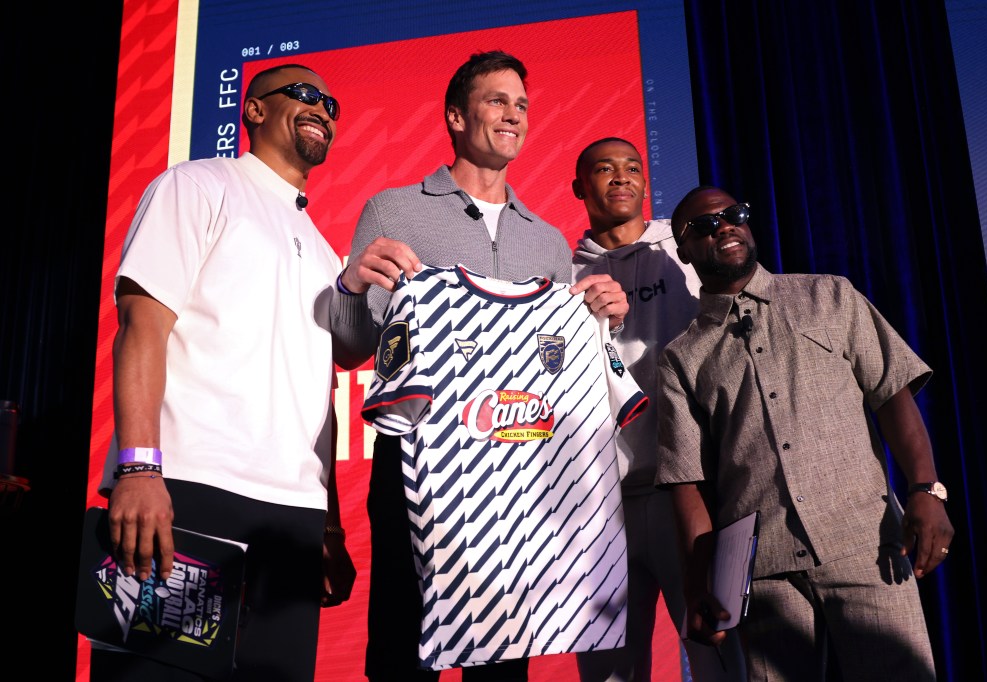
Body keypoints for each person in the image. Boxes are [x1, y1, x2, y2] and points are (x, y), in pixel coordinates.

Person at [331, 51, 629, 681]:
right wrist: (353, 288)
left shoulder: (547, 239)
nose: (513, 115)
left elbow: (556, 359)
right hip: (421, 464)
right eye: (497, 101)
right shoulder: (393, 210)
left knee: (501, 661)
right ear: (456, 116)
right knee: (401, 646)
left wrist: (601, 315)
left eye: (521, 105)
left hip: (517, 472)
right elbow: (352, 348)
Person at [92, 63, 356, 682]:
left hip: (293, 518)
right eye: (304, 94)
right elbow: (142, 328)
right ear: (255, 110)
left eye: (332, 101)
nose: (323, 107)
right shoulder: (196, 186)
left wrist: (330, 521)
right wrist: (137, 467)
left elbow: (321, 396)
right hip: (187, 491)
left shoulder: (322, 248)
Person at [656, 185, 955, 681]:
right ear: (682, 250)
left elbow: (892, 394)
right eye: (704, 226)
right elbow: (687, 480)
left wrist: (927, 489)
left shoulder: (829, 295)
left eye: (734, 214)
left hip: (865, 547)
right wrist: (696, 588)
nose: (724, 226)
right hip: (763, 572)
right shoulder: (681, 357)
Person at [571, 140, 745, 682]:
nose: (621, 178)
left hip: (686, 493)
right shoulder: (560, 270)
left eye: (632, 168)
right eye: (604, 169)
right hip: (598, 507)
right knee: (609, 673)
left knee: (718, 655)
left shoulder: (687, 242)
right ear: (580, 188)